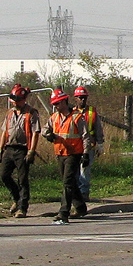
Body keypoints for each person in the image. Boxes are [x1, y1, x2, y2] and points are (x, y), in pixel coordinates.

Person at [42, 87, 88, 225]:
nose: (55, 106)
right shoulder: (54, 117)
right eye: (54, 104)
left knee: (67, 182)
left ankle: (63, 213)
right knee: (70, 181)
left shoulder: (77, 117)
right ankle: (80, 207)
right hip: (60, 153)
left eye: (57, 103)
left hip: (74, 154)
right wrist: (48, 135)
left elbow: (85, 136)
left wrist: (85, 154)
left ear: (64, 101)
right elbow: (45, 129)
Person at [0, 84, 41, 218]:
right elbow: (4, 132)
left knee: (23, 180)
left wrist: (31, 151)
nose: (15, 104)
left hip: (23, 150)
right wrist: (0, 149)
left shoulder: (32, 113)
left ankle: (22, 208)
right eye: (13, 101)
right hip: (9, 149)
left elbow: (35, 133)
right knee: (4, 175)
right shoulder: (9, 114)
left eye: (17, 101)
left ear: (23, 100)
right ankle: (16, 198)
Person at [72, 86, 104, 202]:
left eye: (84, 98)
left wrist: (100, 144)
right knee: (75, 171)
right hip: (75, 146)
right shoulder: (72, 112)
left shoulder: (92, 111)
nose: (82, 100)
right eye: (80, 98)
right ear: (76, 98)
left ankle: (84, 193)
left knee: (85, 170)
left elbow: (98, 128)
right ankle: (76, 193)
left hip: (89, 145)